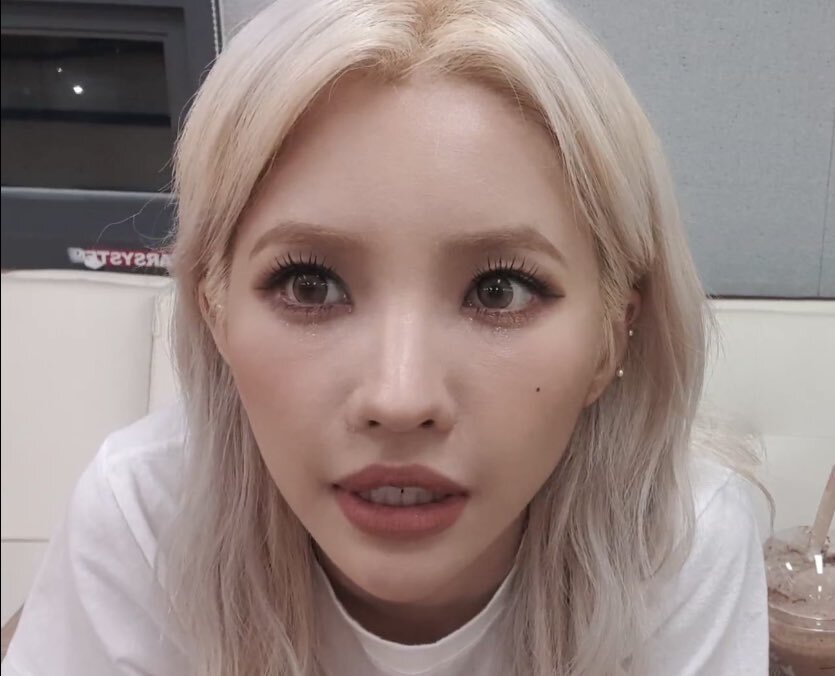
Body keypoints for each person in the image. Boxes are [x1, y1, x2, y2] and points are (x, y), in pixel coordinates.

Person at [2, 1, 769, 674]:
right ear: (215, 312)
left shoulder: (680, 544)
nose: (399, 400)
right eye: (309, 285)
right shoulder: (143, 519)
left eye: (498, 291)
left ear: (612, 337)